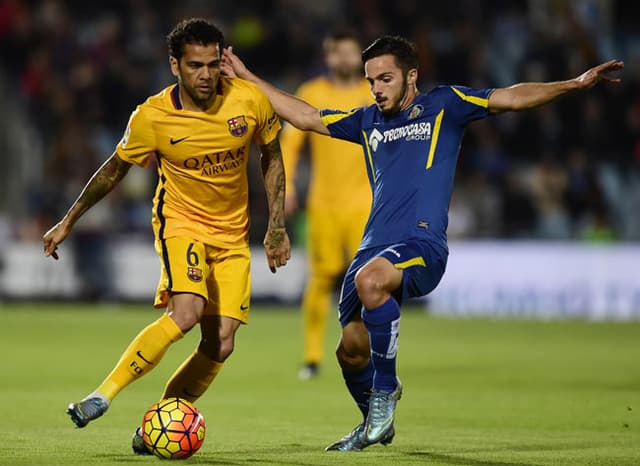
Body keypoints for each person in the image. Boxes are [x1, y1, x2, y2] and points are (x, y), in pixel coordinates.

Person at [221, 36, 623, 451]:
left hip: (422, 244)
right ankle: (373, 422)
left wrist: (573, 84)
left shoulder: (444, 105)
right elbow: (305, 116)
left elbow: (512, 98)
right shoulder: (366, 122)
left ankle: (385, 393)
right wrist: (248, 78)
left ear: (411, 76)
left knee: (372, 282)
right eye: (371, 80)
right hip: (371, 249)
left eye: (386, 79)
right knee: (350, 351)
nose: (376, 88)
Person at [42, 18, 290, 453]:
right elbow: (113, 171)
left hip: (233, 234)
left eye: (213, 64)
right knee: (187, 312)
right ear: (174, 65)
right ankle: (104, 394)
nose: (206, 75)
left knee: (221, 344)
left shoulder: (250, 101)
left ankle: (157, 425)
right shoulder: (152, 116)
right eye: (195, 65)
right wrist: (68, 221)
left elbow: (271, 154)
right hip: (182, 223)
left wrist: (277, 225)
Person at [280, 31, 372, 380]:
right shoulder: (312, 93)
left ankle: (373, 351)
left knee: (371, 281)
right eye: (340, 54)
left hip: (368, 204)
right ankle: (313, 357)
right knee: (319, 279)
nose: (346, 60)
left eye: (352, 54)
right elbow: (290, 144)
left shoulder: (373, 92)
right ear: (328, 56)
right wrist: (286, 185)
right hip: (324, 205)